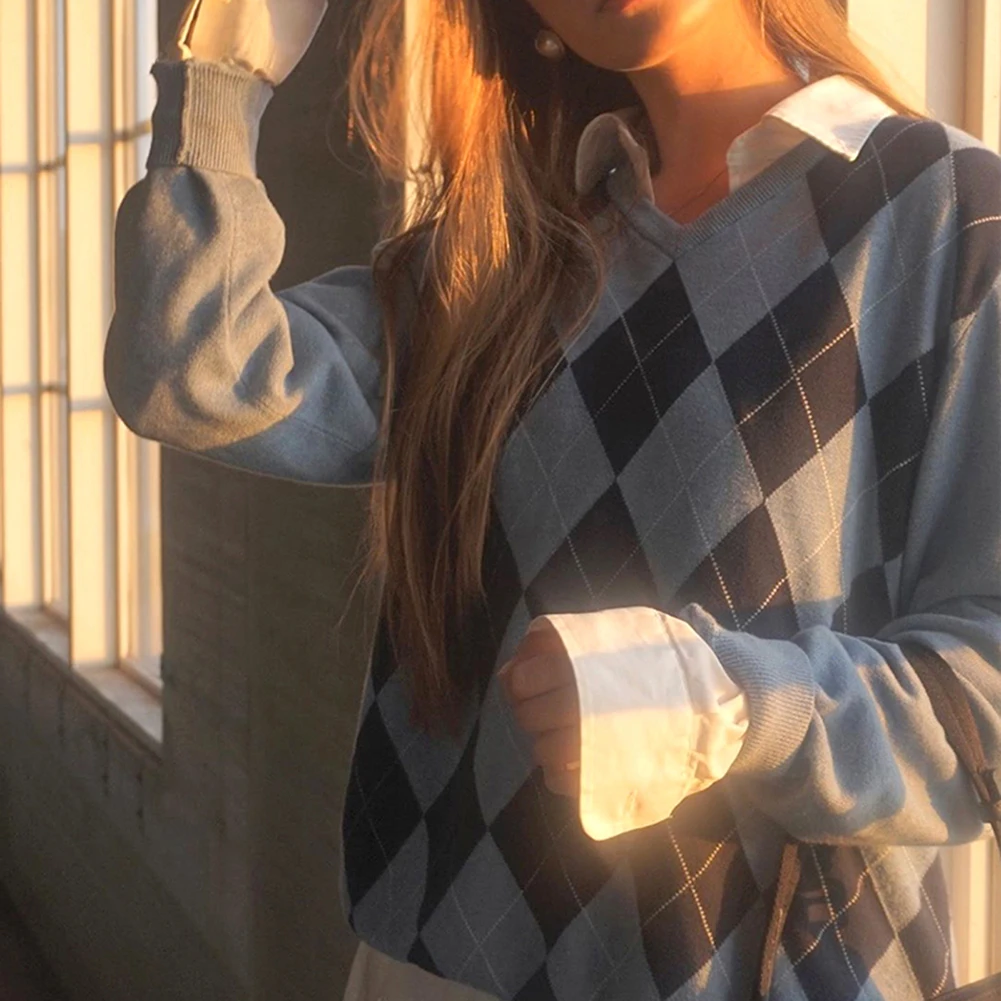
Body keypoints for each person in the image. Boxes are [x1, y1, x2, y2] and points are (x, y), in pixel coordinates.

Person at [104, 0, 1001, 998]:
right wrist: (222, 67)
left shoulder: (946, 215)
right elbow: (192, 368)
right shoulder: (505, 253)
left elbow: (983, 699)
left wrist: (716, 704)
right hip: (435, 963)